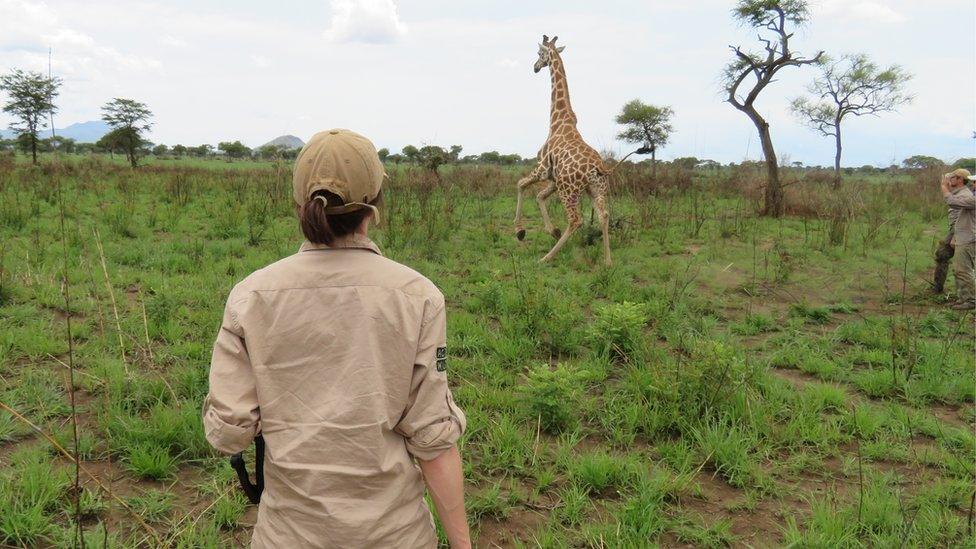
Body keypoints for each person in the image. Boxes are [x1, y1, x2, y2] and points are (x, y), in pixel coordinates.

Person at [202, 129, 471, 548]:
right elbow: (433, 440)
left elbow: (230, 432)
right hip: (396, 537)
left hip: (287, 536)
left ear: (299, 204)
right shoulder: (418, 296)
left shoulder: (250, 296)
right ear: (376, 203)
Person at [940, 168, 976, 310]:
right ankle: (964, 299)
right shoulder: (972, 197)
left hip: (969, 237)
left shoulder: (973, 199)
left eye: (975, 182)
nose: (973, 184)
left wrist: (944, 188)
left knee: (964, 270)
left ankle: (971, 300)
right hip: (965, 236)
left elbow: (952, 201)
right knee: (960, 269)